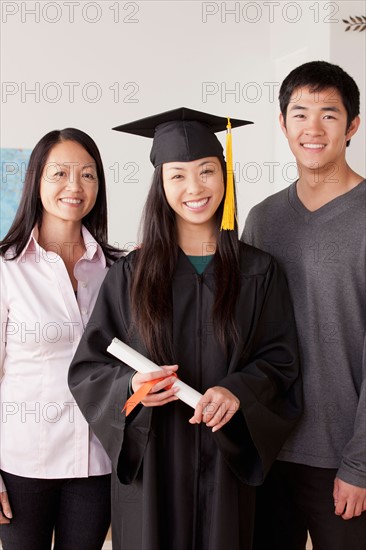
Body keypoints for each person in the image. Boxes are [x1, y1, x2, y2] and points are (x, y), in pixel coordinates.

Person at [68, 107, 302, 550]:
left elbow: (281, 361)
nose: (194, 188)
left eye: (207, 171)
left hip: (226, 461)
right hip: (153, 466)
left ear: (225, 176)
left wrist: (237, 391)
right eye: (177, 175)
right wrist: (132, 386)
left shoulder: (260, 272)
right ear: (161, 186)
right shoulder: (130, 274)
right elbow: (89, 368)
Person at [242, 61, 366, 550]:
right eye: (300, 114)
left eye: (329, 115)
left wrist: (360, 462)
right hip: (267, 452)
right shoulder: (263, 218)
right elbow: (243, 330)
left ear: (352, 125)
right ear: (283, 124)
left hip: (343, 460)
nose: (312, 129)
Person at [0, 128, 121, 550]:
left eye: (88, 175)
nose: (74, 186)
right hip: (22, 464)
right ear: (36, 180)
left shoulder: (118, 270)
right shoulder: (7, 269)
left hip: (96, 462)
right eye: (60, 173)